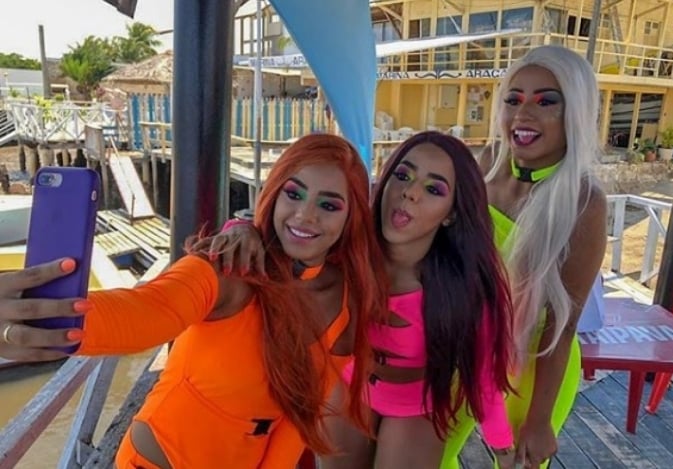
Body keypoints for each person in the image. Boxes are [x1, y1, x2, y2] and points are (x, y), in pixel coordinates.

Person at [0, 134, 387, 469]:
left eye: (329, 205)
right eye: (294, 193)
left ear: (351, 217)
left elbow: (295, 422)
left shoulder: (345, 303)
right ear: (274, 192)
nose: (305, 215)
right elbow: (150, 310)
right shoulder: (231, 268)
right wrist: (48, 322)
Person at [214, 131, 516, 469]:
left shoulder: (466, 285)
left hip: (415, 404)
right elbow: (283, 239)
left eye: (433, 189)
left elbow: (484, 375)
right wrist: (239, 228)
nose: (410, 192)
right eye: (403, 175)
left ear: (452, 213)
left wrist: (503, 448)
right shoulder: (347, 246)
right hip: (348, 385)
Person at [441, 45, 608, 468]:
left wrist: (540, 419)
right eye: (513, 100)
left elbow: (562, 325)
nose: (523, 113)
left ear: (575, 113)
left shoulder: (584, 201)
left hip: (534, 360)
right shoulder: (483, 166)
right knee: (428, 456)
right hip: (465, 345)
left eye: (546, 101)